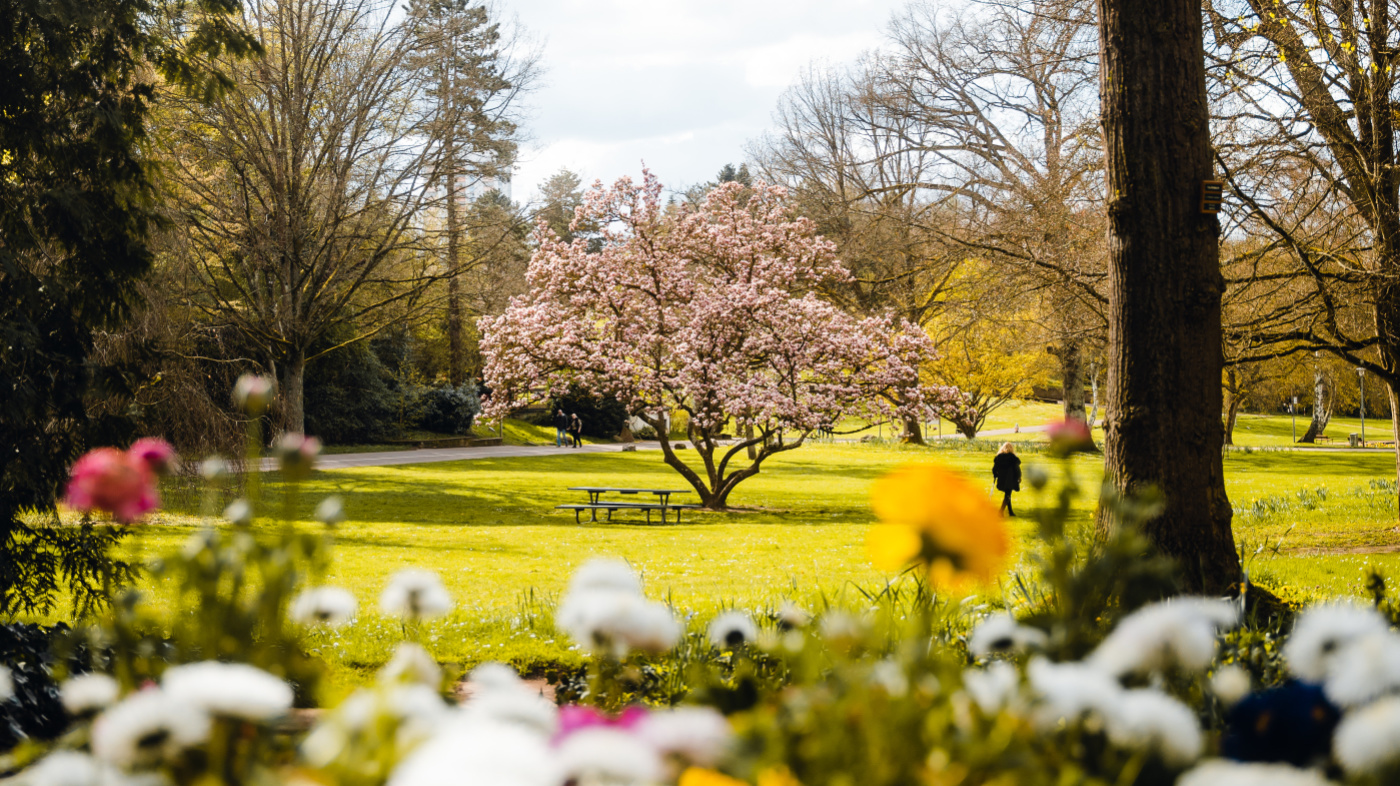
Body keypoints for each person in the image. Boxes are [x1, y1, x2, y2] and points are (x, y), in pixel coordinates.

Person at [992, 442, 1022, 517]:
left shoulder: (999, 457)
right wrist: (1019, 476)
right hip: (1010, 478)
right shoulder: (1013, 458)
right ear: (1012, 448)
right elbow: (1017, 469)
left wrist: (996, 475)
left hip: (1002, 478)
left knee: (1007, 494)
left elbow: (994, 469)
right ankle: (1001, 511)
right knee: (1008, 494)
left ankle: (1010, 512)